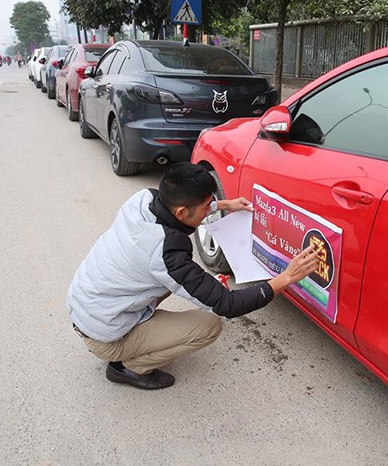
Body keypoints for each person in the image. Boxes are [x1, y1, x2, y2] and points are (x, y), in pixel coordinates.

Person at [67, 162, 320, 390]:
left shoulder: (143, 199)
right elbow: (226, 304)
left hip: (86, 305)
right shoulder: (166, 252)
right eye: (204, 207)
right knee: (209, 326)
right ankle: (128, 366)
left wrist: (223, 205)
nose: (207, 210)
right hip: (104, 333)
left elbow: (182, 210)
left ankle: (131, 342)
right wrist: (286, 277)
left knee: (174, 282)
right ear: (181, 213)